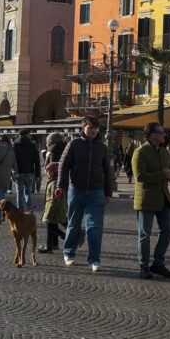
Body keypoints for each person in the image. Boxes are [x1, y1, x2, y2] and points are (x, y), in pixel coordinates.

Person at [55, 116, 112, 272]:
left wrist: (108, 192)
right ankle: (69, 252)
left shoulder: (101, 147)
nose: (93, 130)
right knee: (73, 224)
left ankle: (94, 259)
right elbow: (63, 165)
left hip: (97, 191)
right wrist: (61, 185)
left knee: (95, 227)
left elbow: (108, 171)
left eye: (95, 128)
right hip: (77, 189)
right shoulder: (73, 144)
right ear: (83, 128)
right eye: (90, 127)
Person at [131, 122, 170, 279]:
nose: (164, 135)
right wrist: (162, 174)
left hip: (164, 198)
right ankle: (144, 266)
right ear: (151, 135)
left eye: (163, 132)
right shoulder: (140, 152)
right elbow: (140, 176)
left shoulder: (164, 152)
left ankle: (158, 263)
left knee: (168, 229)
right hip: (146, 199)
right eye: (160, 132)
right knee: (145, 235)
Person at [39, 162, 66, 253]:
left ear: (54, 172)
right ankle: (53, 245)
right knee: (52, 227)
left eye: (48, 171)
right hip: (55, 209)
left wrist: (49, 213)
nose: (47, 172)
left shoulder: (54, 183)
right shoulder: (53, 181)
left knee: (50, 227)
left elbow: (54, 200)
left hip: (54, 210)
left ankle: (50, 247)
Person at [12, 129, 41, 211]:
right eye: (29, 135)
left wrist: (12, 173)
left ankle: (20, 212)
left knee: (19, 194)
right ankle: (30, 211)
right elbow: (37, 161)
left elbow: (12, 160)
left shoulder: (15, 145)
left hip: (19, 172)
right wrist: (37, 175)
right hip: (30, 172)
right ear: (27, 135)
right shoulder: (32, 145)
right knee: (28, 192)